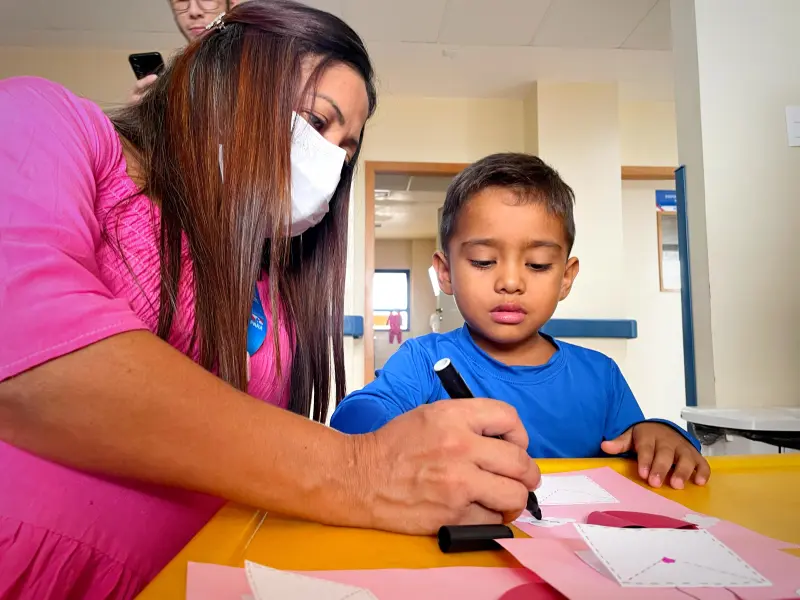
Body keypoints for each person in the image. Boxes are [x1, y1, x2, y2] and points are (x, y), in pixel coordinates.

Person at [0, 4, 539, 598]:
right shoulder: (46, 121)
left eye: (346, 148)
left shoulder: (269, 290)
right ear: (223, 83)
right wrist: (363, 472)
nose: (329, 161)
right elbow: (28, 349)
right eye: (314, 121)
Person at [331, 153, 711, 491]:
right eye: (482, 260)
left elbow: (639, 462)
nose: (510, 282)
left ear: (565, 276)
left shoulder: (601, 376)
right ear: (445, 273)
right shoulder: (422, 361)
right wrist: (410, 429)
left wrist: (659, 435)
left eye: (538, 265)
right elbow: (352, 422)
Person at [130, 0, 243, 103]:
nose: (193, 11)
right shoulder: (173, 85)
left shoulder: (255, 60)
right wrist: (139, 120)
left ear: (232, 2)